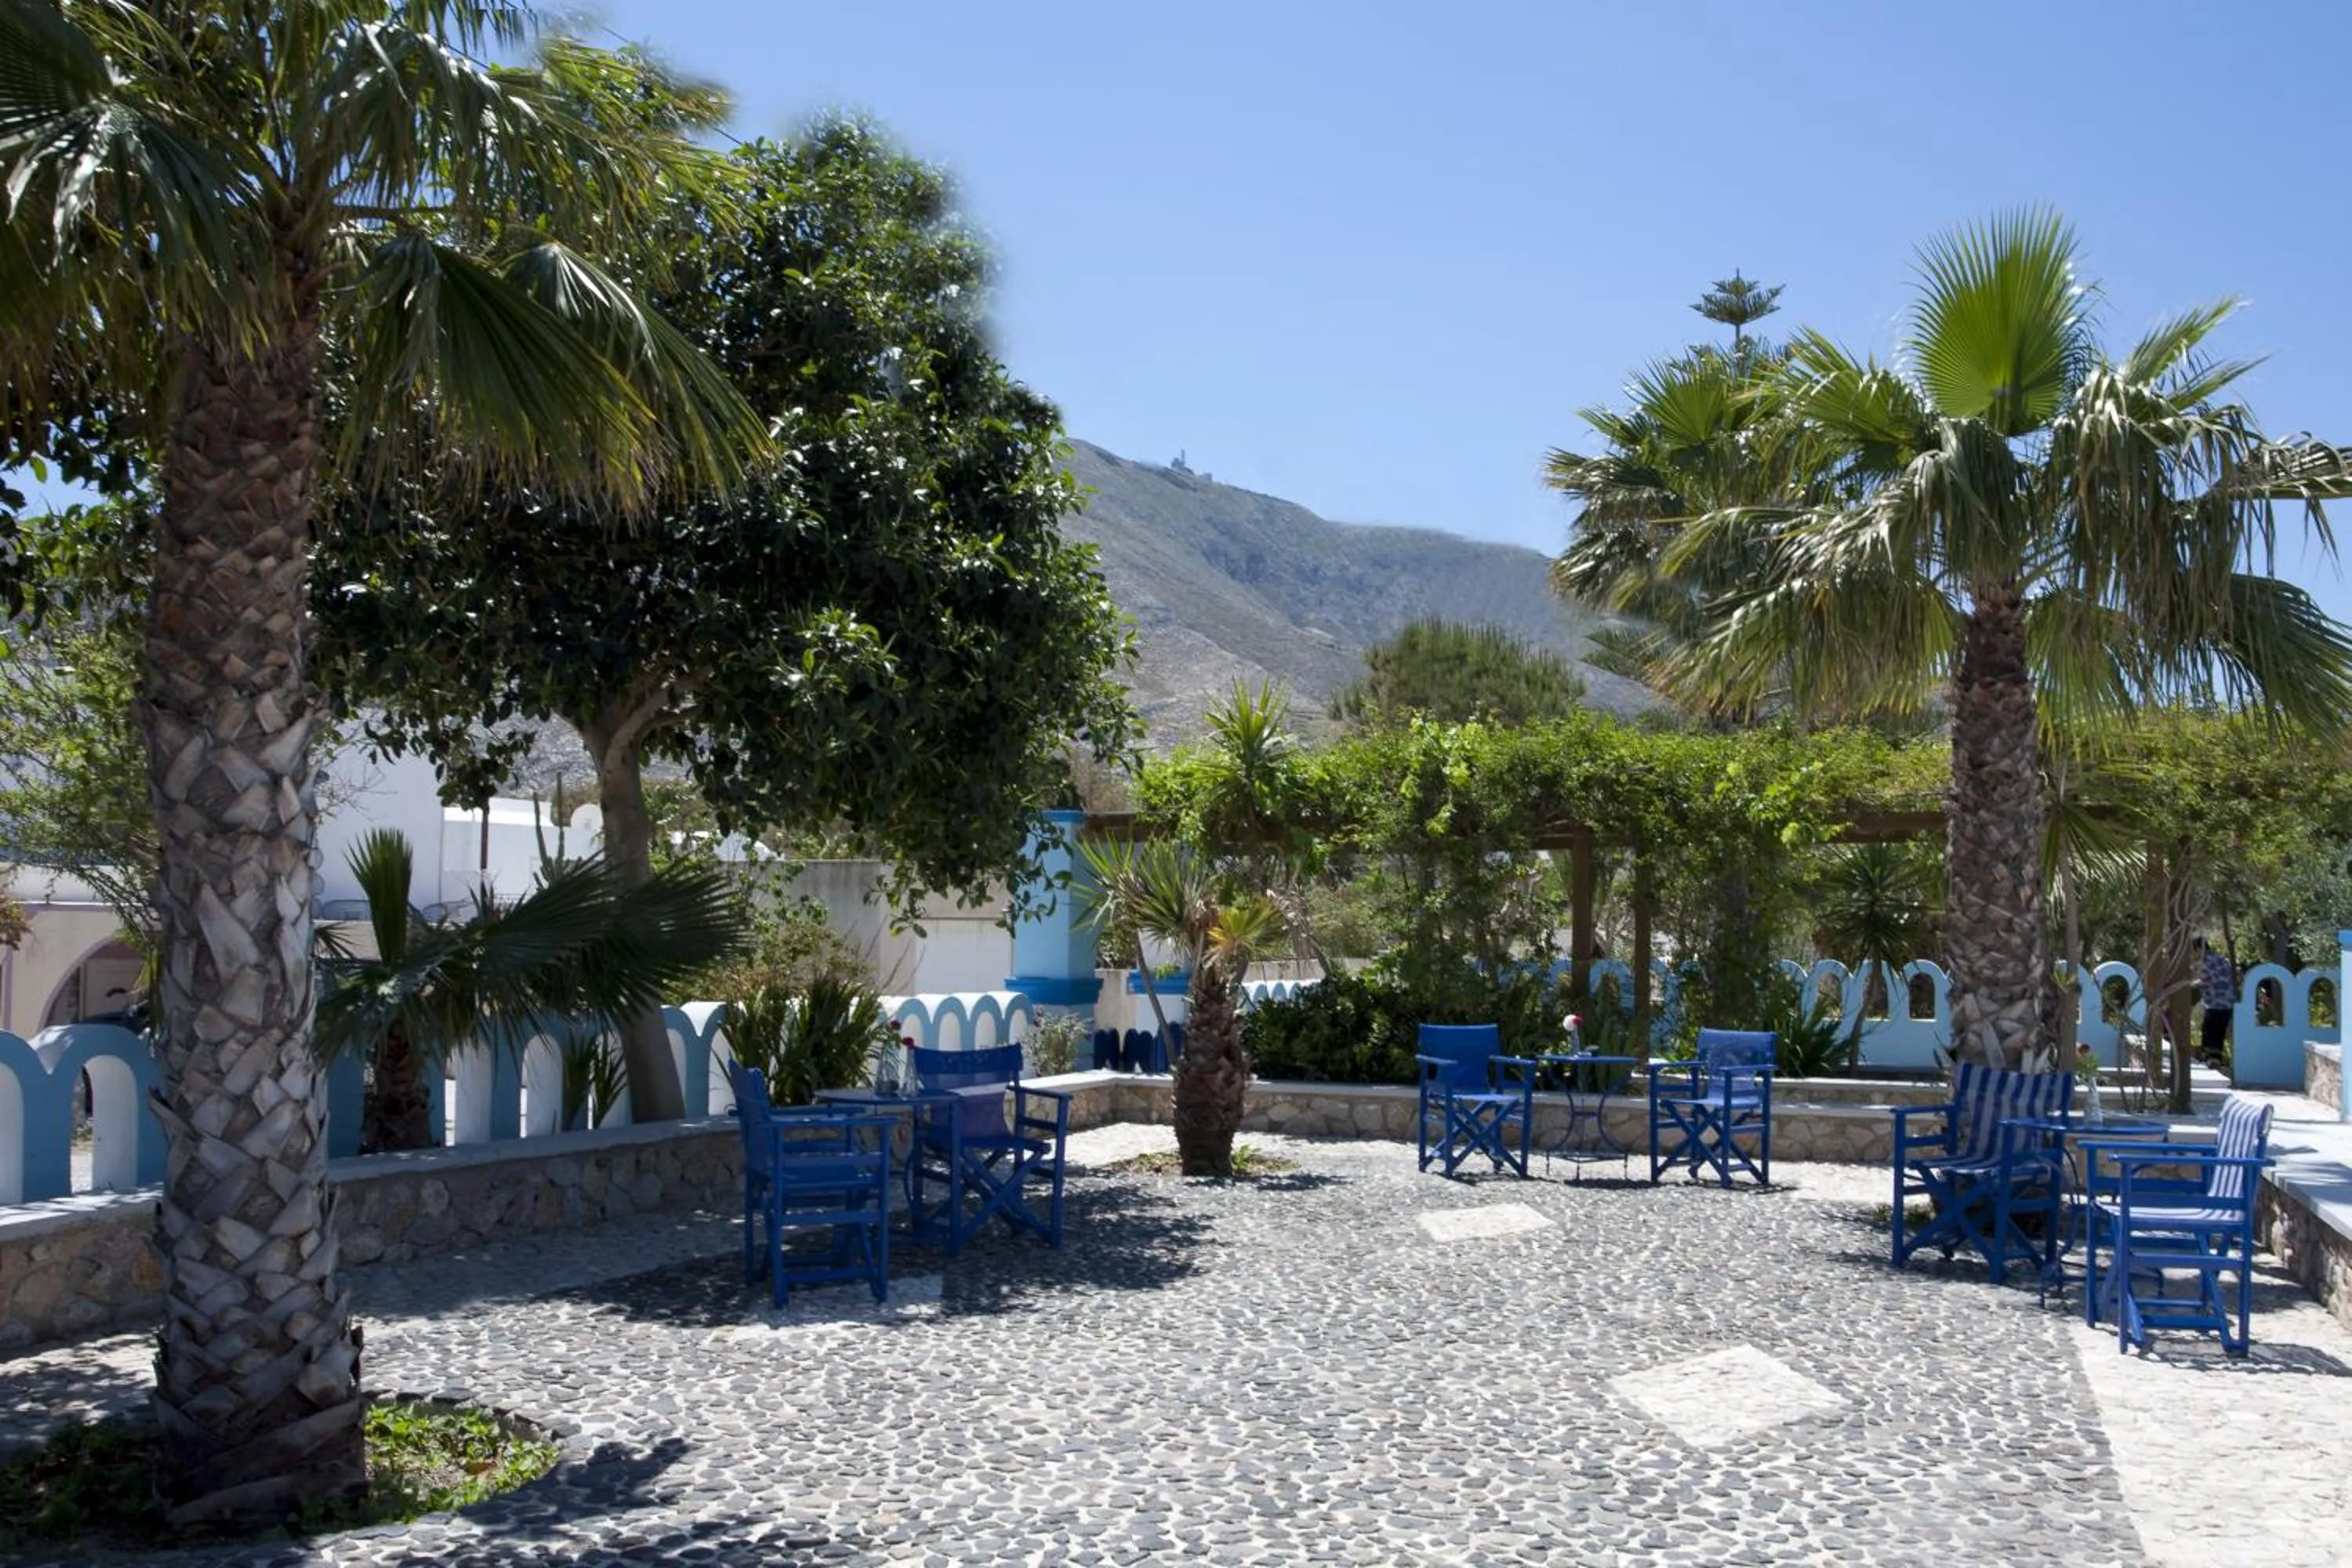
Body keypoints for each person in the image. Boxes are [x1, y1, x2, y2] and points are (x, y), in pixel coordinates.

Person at [2194, 936, 2238, 1073]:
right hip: (2228, 1002)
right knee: (2219, 1032)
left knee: (2209, 1031)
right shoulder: (2220, 958)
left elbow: (2205, 979)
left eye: (2193, 951)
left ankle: (2210, 1060)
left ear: (2199, 949)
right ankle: (2215, 1059)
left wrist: (2188, 985)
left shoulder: (2207, 961)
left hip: (2215, 1002)